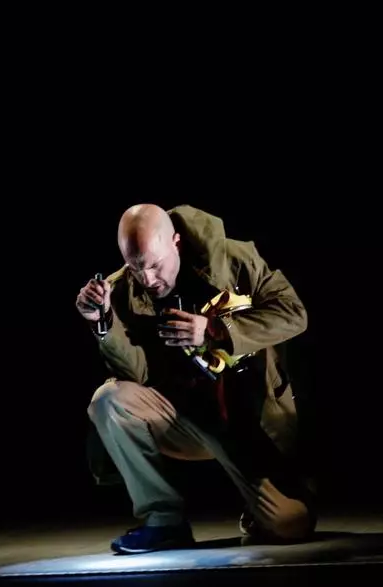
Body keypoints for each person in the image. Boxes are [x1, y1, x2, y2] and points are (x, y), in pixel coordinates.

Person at [76, 203, 315, 554]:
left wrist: (216, 330)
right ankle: (163, 521)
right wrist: (103, 322)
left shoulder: (235, 260)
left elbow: (294, 314)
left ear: (175, 242)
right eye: (135, 267)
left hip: (242, 423)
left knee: (290, 525)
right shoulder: (122, 288)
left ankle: (269, 502)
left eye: (155, 265)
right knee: (109, 401)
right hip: (182, 418)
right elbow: (137, 374)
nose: (148, 279)